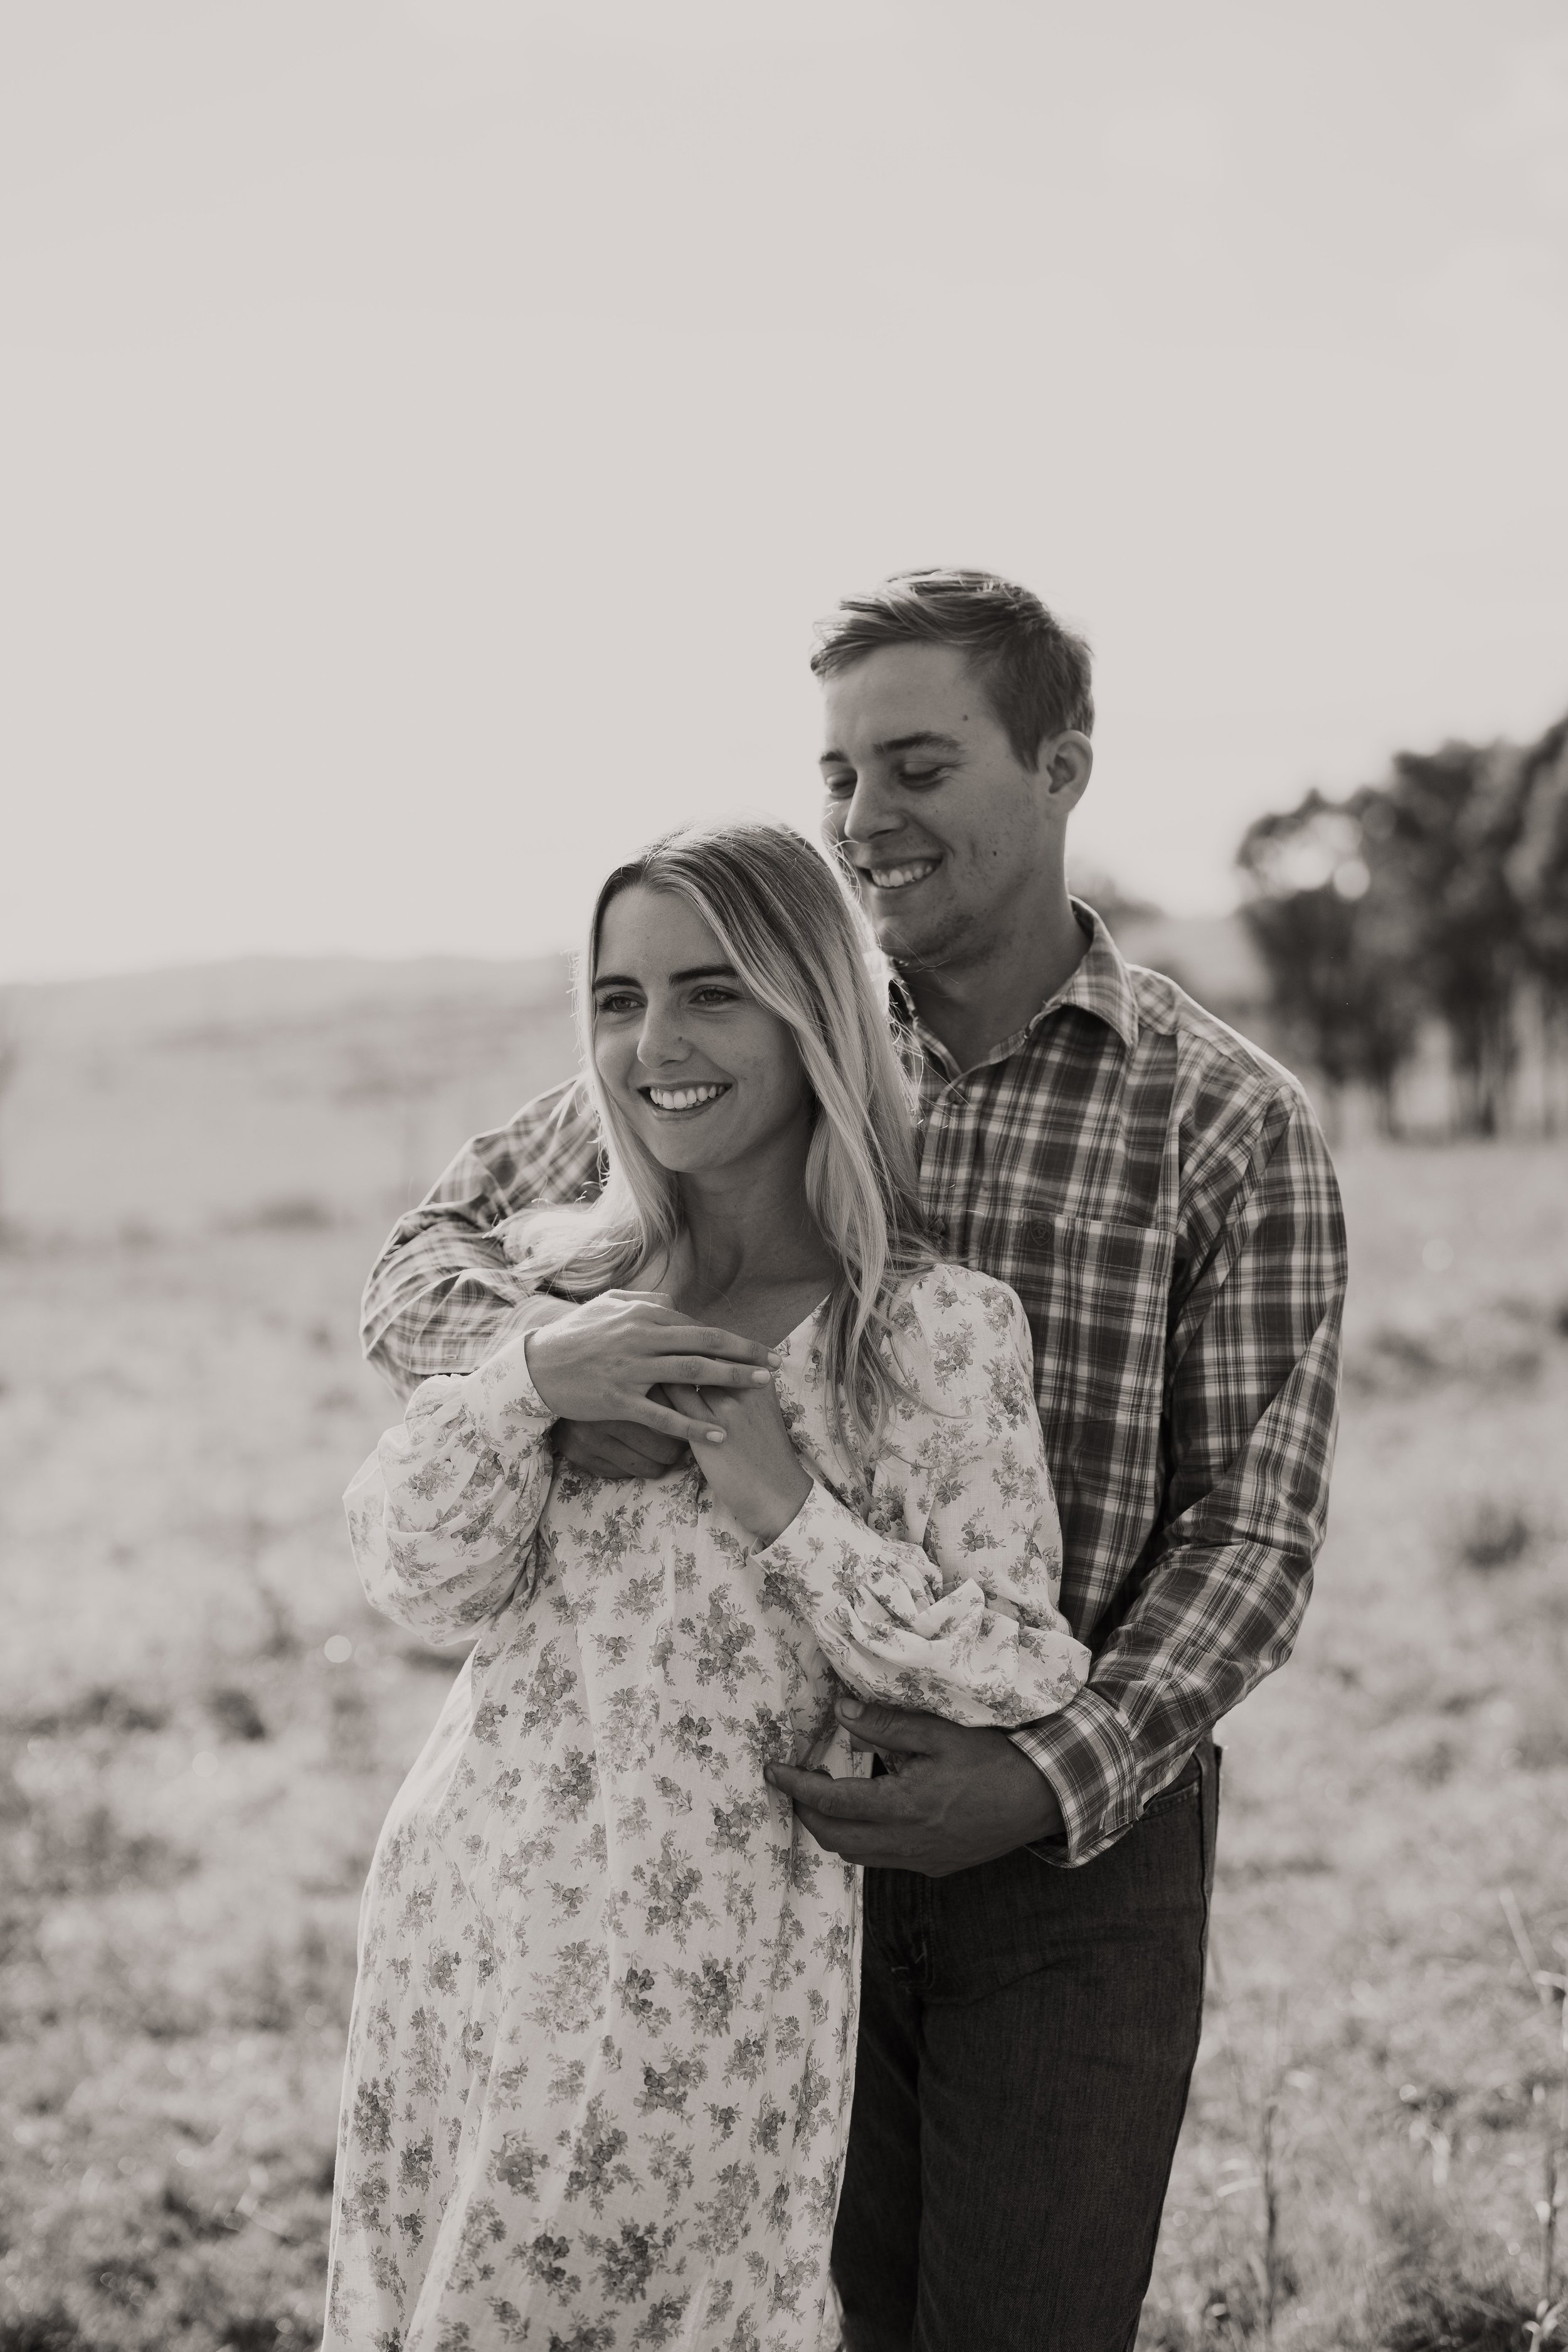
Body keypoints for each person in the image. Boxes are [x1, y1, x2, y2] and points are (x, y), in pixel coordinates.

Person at [360, 571, 1348, 2351]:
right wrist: (553, 1372)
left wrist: (1040, 1769)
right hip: (720, 1853)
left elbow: (1253, 1531)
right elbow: (430, 1252)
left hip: (1059, 1848)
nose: (862, 819)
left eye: (913, 764)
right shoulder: (756, 1018)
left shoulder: (1222, 1116)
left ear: (1061, 765)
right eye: (834, 773)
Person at [327, 820, 1090, 2351]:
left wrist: (789, 1510)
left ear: (810, 1006)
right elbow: (419, 1576)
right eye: (616, 1000)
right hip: (460, 1924)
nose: (652, 1044)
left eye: (708, 993)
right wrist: (529, 1379)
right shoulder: (560, 1289)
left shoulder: (928, 1332)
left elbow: (1021, 1663)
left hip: (700, 1969)